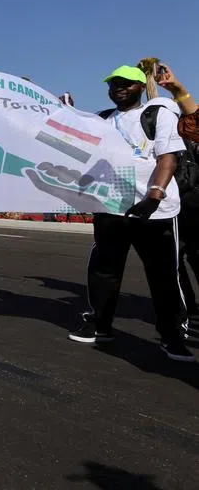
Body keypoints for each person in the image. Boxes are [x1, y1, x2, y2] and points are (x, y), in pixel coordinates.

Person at [68, 65, 192, 362]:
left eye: (125, 84)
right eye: (113, 84)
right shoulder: (102, 121)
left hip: (155, 212)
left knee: (163, 276)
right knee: (104, 271)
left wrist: (154, 195)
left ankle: (172, 336)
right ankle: (100, 324)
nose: (118, 88)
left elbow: (168, 158)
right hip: (112, 210)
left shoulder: (157, 114)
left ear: (140, 86)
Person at [155, 63, 199, 330]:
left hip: (193, 203)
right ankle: (187, 308)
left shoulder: (186, 133)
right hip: (177, 205)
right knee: (174, 258)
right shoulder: (163, 130)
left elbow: (194, 121)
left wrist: (178, 89)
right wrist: (178, 90)